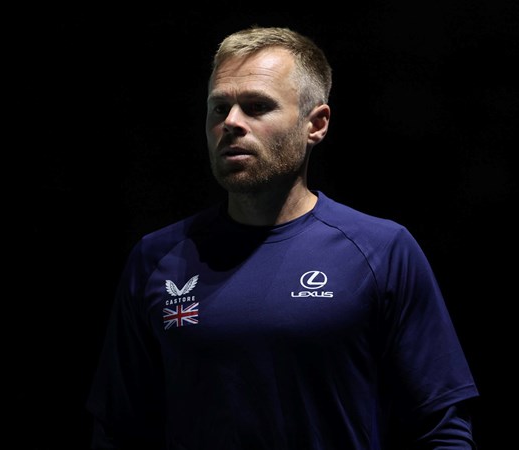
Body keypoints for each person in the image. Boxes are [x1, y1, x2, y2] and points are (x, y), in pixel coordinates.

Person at [86, 25, 480, 449]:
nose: (232, 123)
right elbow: (119, 431)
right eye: (219, 109)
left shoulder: (382, 251)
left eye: (256, 107)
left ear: (316, 124)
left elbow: (441, 428)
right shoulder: (157, 257)